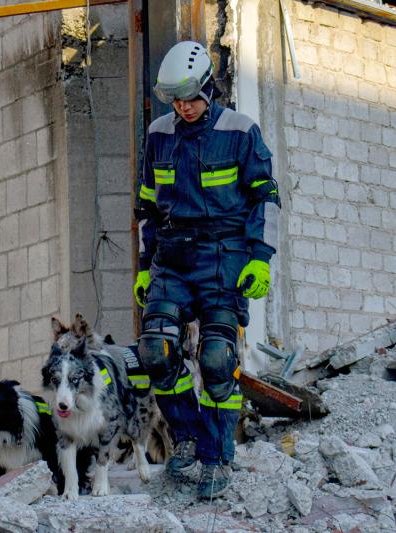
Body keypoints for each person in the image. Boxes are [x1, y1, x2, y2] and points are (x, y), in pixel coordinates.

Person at [133, 41, 280, 499]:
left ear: (208, 89)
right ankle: (188, 437)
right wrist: (144, 265)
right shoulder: (159, 133)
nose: (185, 107)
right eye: (176, 100)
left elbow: (266, 197)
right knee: (155, 351)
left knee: (217, 359)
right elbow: (147, 207)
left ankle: (218, 457)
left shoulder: (240, 131)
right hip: (173, 258)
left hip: (225, 256)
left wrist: (260, 256)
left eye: (191, 98)